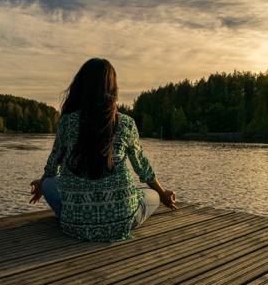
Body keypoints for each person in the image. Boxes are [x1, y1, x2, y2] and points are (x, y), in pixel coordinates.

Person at [29, 58, 176, 242]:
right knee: (152, 194)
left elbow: (53, 165)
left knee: (49, 183)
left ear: (81, 87)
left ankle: (77, 214)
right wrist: (163, 194)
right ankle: (131, 204)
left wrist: (42, 184)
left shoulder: (67, 122)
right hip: (121, 221)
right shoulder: (126, 123)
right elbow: (142, 168)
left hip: (75, 225)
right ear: (113, 89)